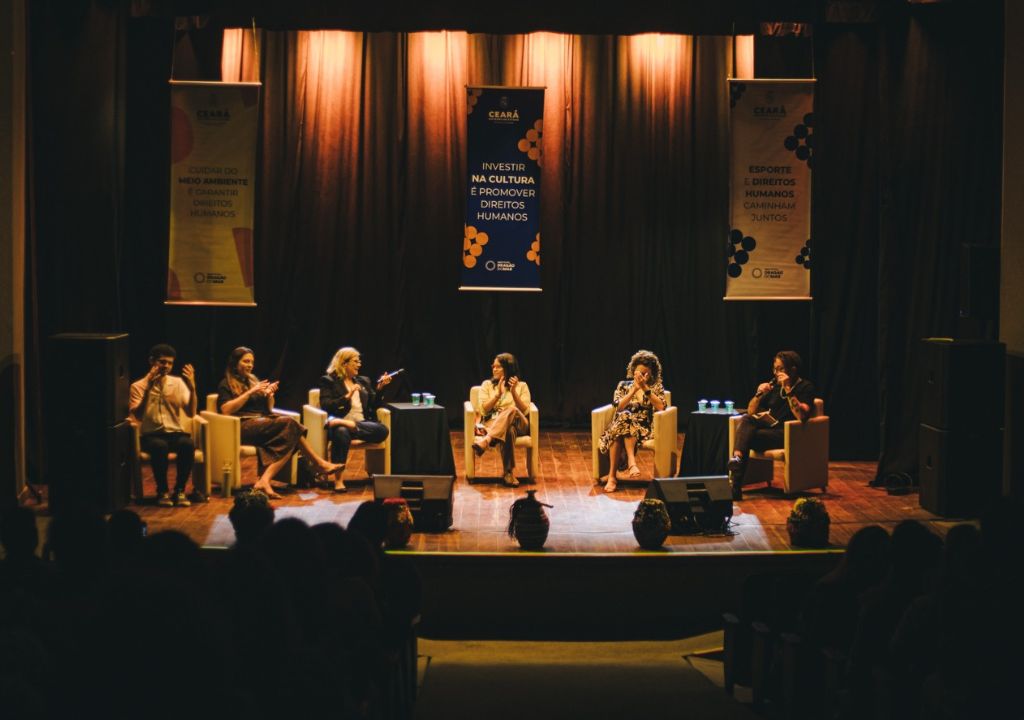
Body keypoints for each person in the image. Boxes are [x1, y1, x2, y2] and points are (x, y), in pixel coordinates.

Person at [217, 346, 342, 499]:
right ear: (235, 363)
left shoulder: (253, 380)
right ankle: (318, 463)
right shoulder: (226, 383)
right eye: (246, 361)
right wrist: (250, 392)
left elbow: (268, 408)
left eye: (252, 362)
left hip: (261, 423)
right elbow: (226, 410)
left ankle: (264, 481)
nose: (250, 365)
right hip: (241, 426)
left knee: (291, 436)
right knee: (290, 425)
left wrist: (269, 395)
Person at [728, 350, 817, 500]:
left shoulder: (806, 387)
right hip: (769, 430)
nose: (776, 373)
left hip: (788, 434)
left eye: (780, 369)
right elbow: (751, 411)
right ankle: (737, 464)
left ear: (793, 370)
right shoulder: (775, 387)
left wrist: (788, 389)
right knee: (746, 419)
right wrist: (758, 394)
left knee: (746, 436)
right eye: (775, 369)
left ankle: (735, 482)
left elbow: (801, 415)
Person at [129, 343, 201, 507]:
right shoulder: (138, 386)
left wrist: (192, 389)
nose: (166, 366)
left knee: (187, 444)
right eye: (162, 362)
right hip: (150, 435)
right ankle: (162, 491)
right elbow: (138, 415)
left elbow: (191, 413)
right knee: (159, 446)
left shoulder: (177, 383)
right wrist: (148, 390)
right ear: (151, 361)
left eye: (170, 363)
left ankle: (180, 490)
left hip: (174, 432)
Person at [317, 347, 392, 493]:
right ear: (344, 363)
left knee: (383, 430)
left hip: (360, 425)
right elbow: (326, 405)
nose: (359, 364)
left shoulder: (363, 381)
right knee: (341, 432)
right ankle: (338, 480)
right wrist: (347, 396)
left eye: (359, 361)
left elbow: (373, 405)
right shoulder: (328, 381)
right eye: (355, 361)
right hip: (339, 426)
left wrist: (380, 389)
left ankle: (348, 424)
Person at [597, 349, 667, 493]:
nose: (641, 376)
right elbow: (618, 407)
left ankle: (612, 477)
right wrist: (633, 390)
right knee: (624, 417)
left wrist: (644, 388)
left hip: (643, 427)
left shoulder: (656, 387)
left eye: (645, 373)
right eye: (639, 372)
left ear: (651, 373)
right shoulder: (623, 385)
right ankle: (631, 462)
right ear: (633, 370)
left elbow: (661, 406)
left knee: (620, 425)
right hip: (621, 423)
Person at [472, 353, 531, 487]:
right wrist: (497, 395)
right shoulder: (487, 385)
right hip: (496, 424)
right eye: (493, 366)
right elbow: (484, 410)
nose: (494, 369)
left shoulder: (522, 386)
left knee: (512, 410)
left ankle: (487, 440)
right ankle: (508, 473)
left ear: (508, 368)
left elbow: (525, 411)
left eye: (498, 367)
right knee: (509, 430)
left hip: (520, 424)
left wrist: (514, 392)